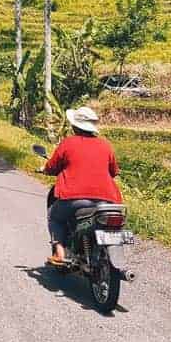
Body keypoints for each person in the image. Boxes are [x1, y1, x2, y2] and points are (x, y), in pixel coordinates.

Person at [41, 106, 122, 266]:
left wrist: (45, 169)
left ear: (74, 126)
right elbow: (113, 171)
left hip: (73, 197)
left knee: (55, 217)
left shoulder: (68, 143)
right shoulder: (105, 145)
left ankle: (60, 253)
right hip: (107, 200)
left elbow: (52, 167)